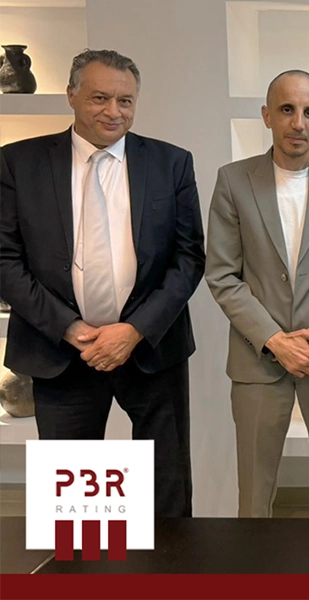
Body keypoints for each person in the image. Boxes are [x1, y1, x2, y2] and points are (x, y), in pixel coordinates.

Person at [0, 49, 204, 517]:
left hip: (151, 351)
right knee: (77, 505)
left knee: (167, 490)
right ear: (71, 96)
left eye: (125, 101)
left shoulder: (171, 163)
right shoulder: (18, 163)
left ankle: (168, 564)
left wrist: (133, 331)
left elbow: (189, 257)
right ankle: (83, 566)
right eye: (100, 98)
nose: (114, 111)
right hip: (62, 353)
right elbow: (5, 259)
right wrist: (70, 329)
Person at [205, 70, 309, 517]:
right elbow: (222, 274)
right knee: (254, 495)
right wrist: (276, 341)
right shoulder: (233, 180)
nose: (298, 122)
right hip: (257, 360)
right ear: (267, 115)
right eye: (286, 109)